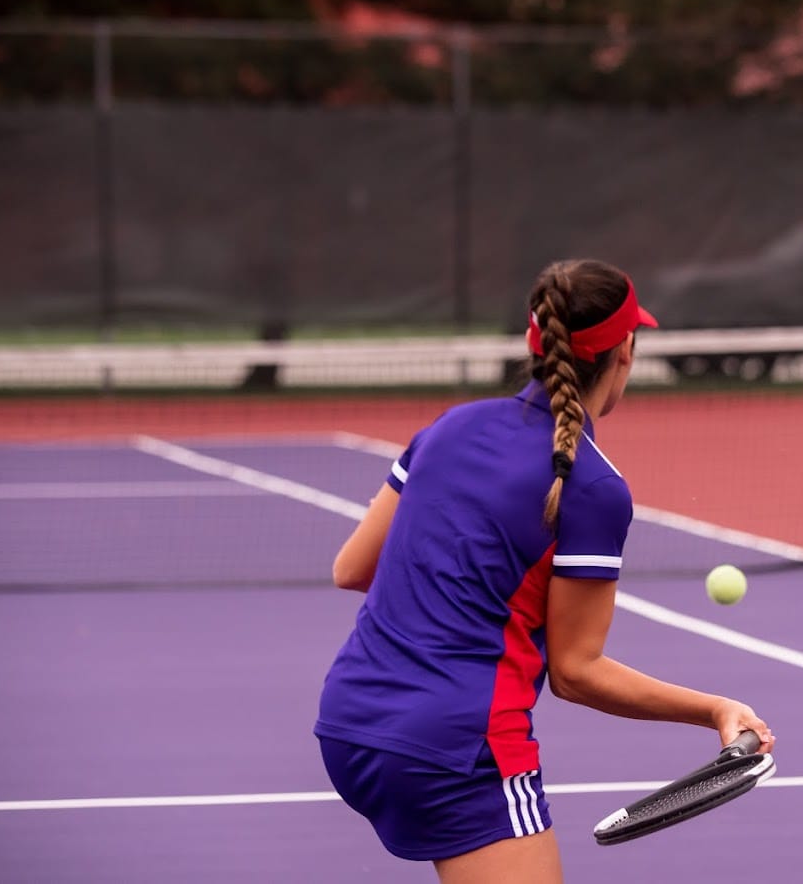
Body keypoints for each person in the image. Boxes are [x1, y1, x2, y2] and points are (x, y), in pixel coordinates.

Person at [314, 258, 775, 883]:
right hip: (459, 749)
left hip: (348, 723)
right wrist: (716, 710)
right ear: (625, 353)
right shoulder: (593, 487)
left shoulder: (451, 427)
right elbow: (577, 673)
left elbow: (352, 568)